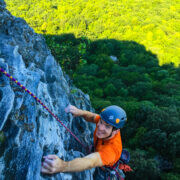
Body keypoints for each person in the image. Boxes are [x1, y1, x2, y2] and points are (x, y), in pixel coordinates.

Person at [41, 105, 127, 179]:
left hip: (104, 170)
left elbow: (90, 162)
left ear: (116, 131)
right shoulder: (104, 122)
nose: (100, 127)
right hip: (97, 150)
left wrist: (62, 166)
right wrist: (79, 112)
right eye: (101, 122)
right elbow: (93, 117)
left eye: (107, 127)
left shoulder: (111, 149)